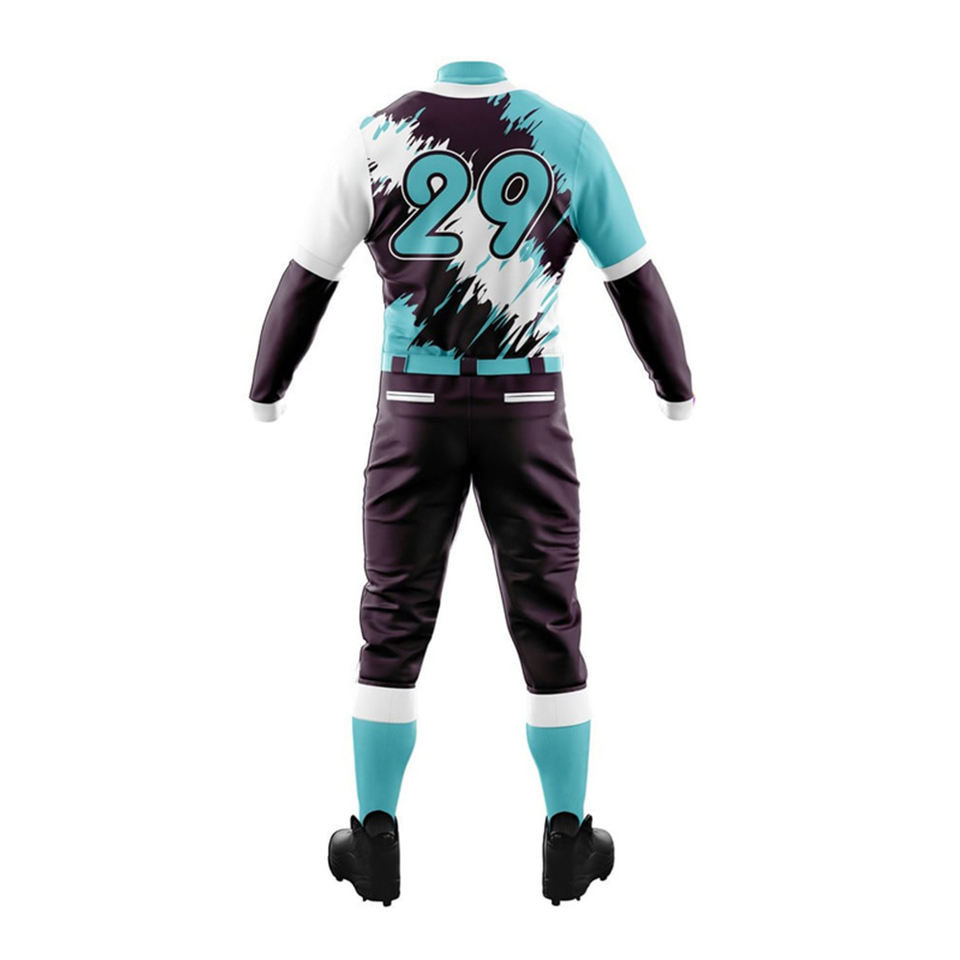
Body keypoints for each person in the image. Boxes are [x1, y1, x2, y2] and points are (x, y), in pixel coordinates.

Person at [249, 61, 694, 906]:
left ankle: (373, 840)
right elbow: (634, 277)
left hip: (413, 410)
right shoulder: (568, 137)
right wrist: (676, 388)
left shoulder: (375, 138)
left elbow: (307, 278)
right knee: (548, 614)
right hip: (527, 410)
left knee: (392, 616)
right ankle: (568, 840)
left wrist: (265, 389)